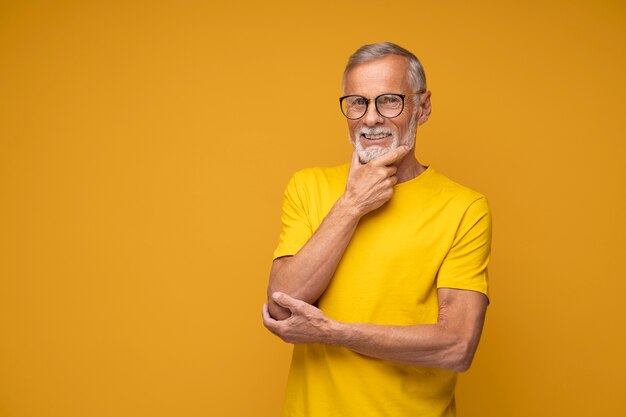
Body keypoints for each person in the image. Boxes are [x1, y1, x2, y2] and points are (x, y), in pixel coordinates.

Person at [262, 42, 491, 417]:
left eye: (389, 100)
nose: (370, 118)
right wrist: (353, 204)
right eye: (357, 102)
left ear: (423, 106)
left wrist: (331, 333)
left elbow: (456, 346)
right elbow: (281, 306)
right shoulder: (309, 186)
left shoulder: (465, 208)